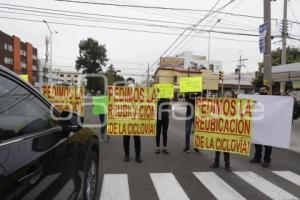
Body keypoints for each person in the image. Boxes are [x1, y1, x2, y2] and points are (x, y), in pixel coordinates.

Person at [250, 85, 272, 168]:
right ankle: (257, 158)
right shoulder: (257, 99)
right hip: (258, 124)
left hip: (267, 125)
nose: (262, 91)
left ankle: (266, 160)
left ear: (267, 91)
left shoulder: (272, 100)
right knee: (257, 143)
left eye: (264, 90)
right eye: (261, 90)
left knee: (268, 144)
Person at [210, 91, 233, 171]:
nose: (228, 98)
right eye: (226, 96)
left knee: (226, 148)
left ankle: (227, 165)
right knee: (218, 147)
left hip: (228, 130)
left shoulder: (235, 106)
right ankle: (216, 162)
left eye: (229, 96)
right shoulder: (219, 105)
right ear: (223, 97)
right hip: (219, 129)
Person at [123, 78, 142, 163]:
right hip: (126, 119)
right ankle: (127, 155)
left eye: (131, 84)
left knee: (137, 138)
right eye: (128, 84)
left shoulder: (137, 94)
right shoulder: (123, 94)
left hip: (136, 119)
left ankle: (138, 155)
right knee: (126, 138)